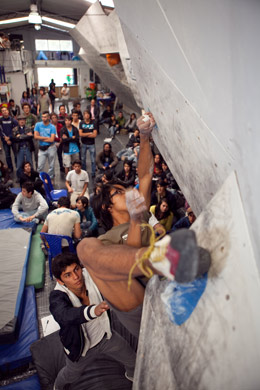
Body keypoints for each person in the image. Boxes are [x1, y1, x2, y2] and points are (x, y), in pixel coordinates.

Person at [77, 113, 210, 338]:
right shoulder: (106, 239)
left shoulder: (139, 212)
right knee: (84, 249)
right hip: (138, 303)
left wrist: (145, 136)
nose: (129, 193)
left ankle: (165, 261)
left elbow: (146, 174)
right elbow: (125, 259)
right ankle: (162, 260)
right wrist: (137, 221)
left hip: (163, 285)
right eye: (119, 193)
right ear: (107, 208)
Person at [49, 252, 136, 390]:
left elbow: (112, 267)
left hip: (106, 337)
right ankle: (57, 387)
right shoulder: (57, 296)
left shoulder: (89, 275)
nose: (76, 277)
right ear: (60, 281)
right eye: (68, 275)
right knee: (69, 375)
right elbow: (64, 315)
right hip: (81, 350)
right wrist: (93, 311)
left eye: (76, 269)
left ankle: (132, 377)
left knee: (132, 360)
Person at [34, 111, 57, 179]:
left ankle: (50, 178)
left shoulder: (52, 127)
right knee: (40, 166)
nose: (43, 118)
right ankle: (40, 178)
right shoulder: (38, 125)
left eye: (45, 117)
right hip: (41, 148)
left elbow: (52, 140)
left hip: (51, 147)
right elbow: (35, 137)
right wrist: (46, 138)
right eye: (42, 117)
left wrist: (40, 138)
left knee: (51, 165)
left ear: (48, 118)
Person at [12, 114, 34, 178]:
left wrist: (20, 136)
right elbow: (15, 138)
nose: (22, 121)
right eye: (20, 120)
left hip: (28, 147)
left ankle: (31, 177)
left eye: (23, 120)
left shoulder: (28, 128)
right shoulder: (15, 129)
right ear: (18, 121)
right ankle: (19, 177)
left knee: (30, 163)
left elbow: (30, 136)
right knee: (19, 164)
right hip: (19, 148)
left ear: (25, 121)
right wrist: (25, 135)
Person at [79, 110, 97, 177]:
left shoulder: (93, 123)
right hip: (84, 143)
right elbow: (80, 134)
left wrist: (85, 134)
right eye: (85, 114)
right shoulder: (81, 123)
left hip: (91, 144)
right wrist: (89, 133)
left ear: (89, 115)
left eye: (87, 114)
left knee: (93, 160)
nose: (86, 115)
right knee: (83, 159)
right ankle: (84, 172)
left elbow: (94, 135)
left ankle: (93, 173)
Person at [0, 106, 18, 172]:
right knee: (7, 156)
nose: (4, 112)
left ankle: (17, 167)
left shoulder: (13, 120)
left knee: (16, 155)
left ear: (8, 111)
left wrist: (9, 137)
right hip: (5, 141)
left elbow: (15, 129)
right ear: (1, 113)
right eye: (3, 111)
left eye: (5, 110)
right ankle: (10, 168)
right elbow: (0, 131)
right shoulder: (0, 121)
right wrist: (6, 138)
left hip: (13, 140)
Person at [22, 103, 38, 169]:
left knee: (36, 154)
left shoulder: (33, 117)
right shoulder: (21, 117)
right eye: (25, 108)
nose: (26, 109)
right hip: (26, 138)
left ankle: (37, 169)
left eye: (27, 108)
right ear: (23, 109)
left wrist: (31, 129)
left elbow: (36, 126)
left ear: (29, 109)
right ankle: (30, 170)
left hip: (34, 137)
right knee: (28, 156)